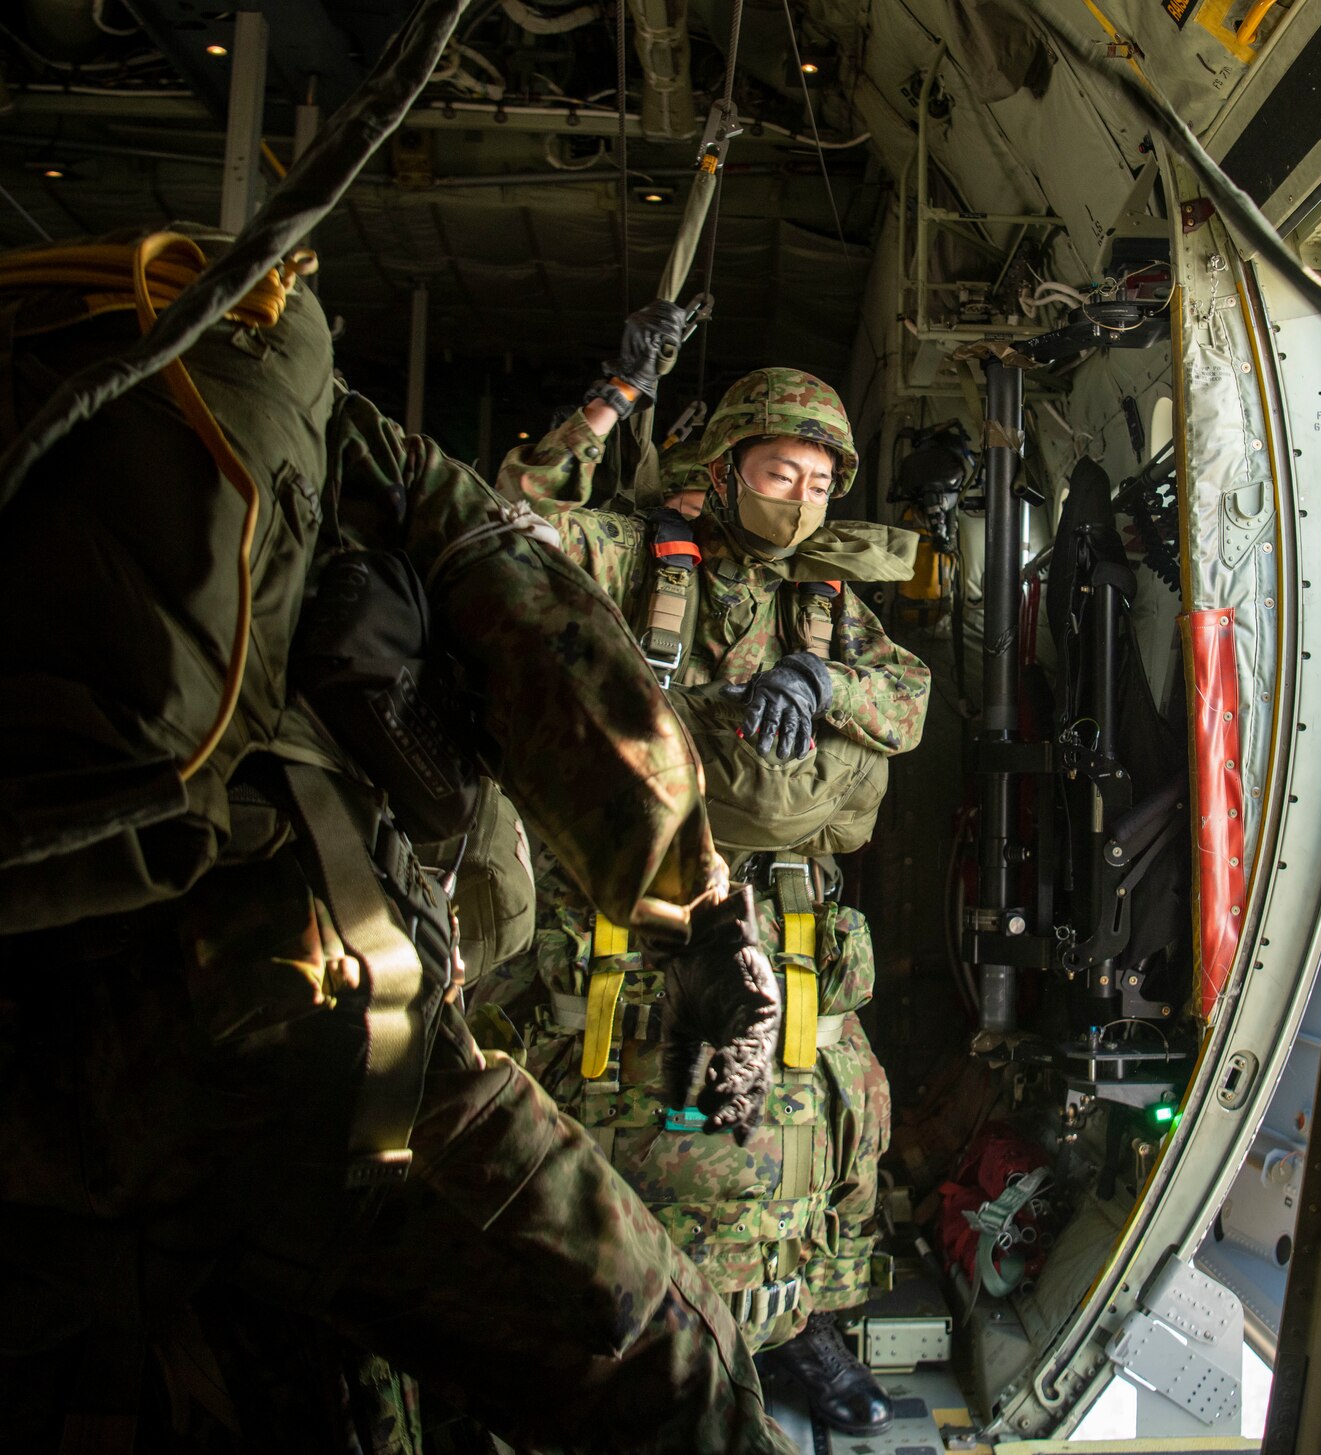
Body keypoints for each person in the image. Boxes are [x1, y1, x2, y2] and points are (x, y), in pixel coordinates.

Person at [0, 231, 789, 1453]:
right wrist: (690, 899)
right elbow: (562, 658)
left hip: (33, 1048)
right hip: (276, 1011)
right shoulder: (332, 432)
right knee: (664, 1364)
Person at [487, 342, 929, 1436]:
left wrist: (822, 676)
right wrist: (609, 399)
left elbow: (907, 705)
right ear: (727, 466)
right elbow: (520, 517)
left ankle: (795, 1333)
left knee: (828, 1120)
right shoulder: (641, 555)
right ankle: (622, 1334)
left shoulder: (826, 602)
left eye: (822, 482)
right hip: (639, 900)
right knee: (647, 1120)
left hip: (788, 911)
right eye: (781, 471)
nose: (801, 498)